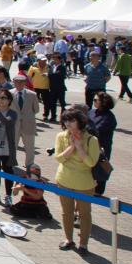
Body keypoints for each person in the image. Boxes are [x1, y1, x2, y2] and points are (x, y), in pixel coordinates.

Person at [54, 107, 100, 255]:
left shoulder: (91, 139)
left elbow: (90, 162)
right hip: (64, 179)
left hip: (84, 183)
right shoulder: (61, 136)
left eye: (72, 120)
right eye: (65, 120)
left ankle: (84, 244)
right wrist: (72, 147)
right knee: (66, 213)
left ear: (80, 121)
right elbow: (59, 158)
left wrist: (79, 147)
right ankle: (68, 239)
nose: (68, 123)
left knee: (85, 214)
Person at [88, 92, 117, 196]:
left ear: (103, 102)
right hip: (89, 145)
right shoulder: (91, 112)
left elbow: (97, 130)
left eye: (96, 100)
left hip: (102, 147)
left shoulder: (109, 117)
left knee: (101, 167)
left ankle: (99, 191)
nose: (93, 102)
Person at [12, 74, 40, 168]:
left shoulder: (32, 94)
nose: (19, 84)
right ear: (13, 82)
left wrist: (27, 116)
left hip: (28, 124)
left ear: (25, 83)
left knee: (29, 147)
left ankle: (29, 164)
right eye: (17, 82)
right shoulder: (9, 93)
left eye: (21, 82)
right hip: (14, 124)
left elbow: (36, 109)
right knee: (12, 146)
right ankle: (11, 163)